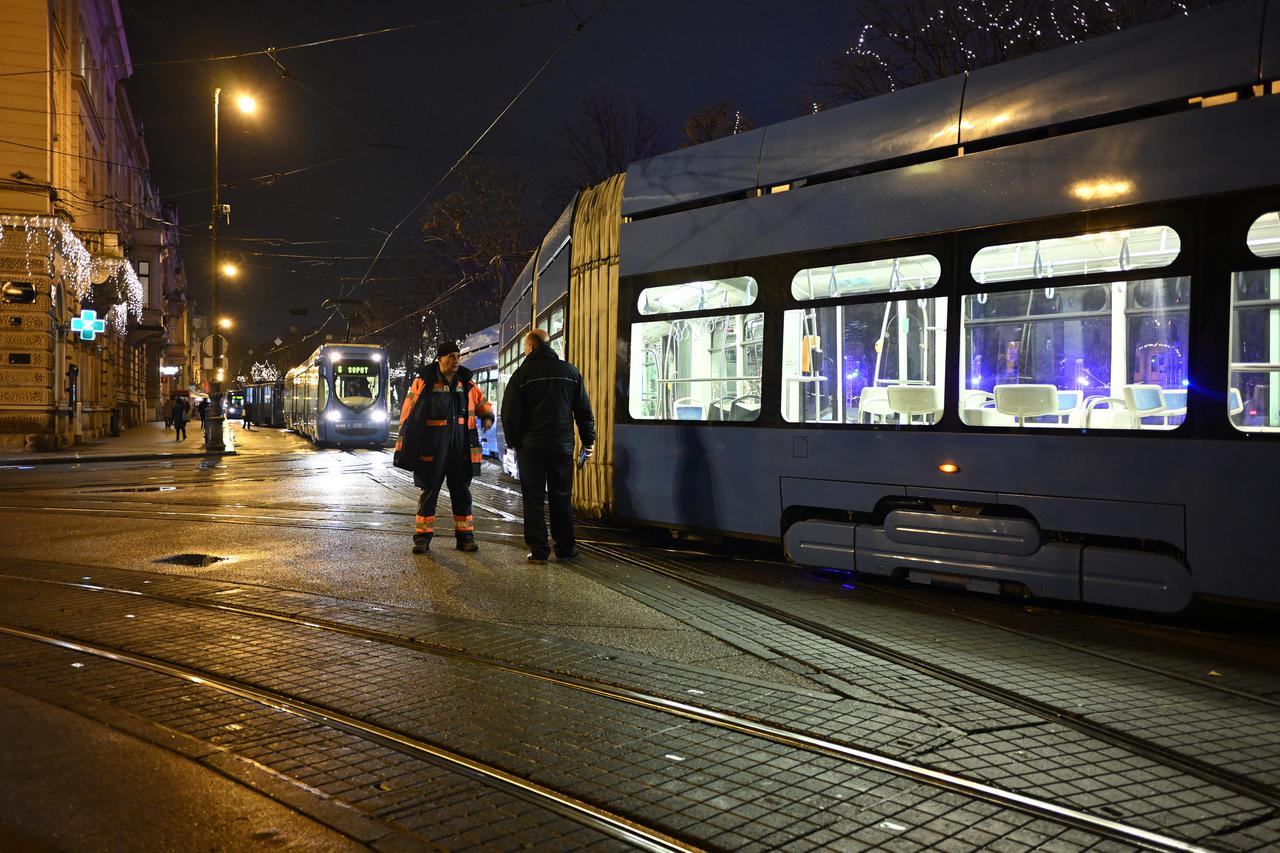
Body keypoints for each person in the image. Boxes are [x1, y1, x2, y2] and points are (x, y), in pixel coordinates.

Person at [500, 329, 595, 563]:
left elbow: (509, 414)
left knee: (532, 498)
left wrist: (514, 442)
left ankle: (539, 549)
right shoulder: (570, 372)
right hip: (561, 446)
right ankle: (565, 548)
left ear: (531, 347)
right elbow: (583, 411)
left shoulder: (521, 375)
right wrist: (588, 440)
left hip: (530, 448)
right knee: (561, 497)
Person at [393, 341, 494, 554]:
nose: (455, 360)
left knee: (462, 493)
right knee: (429, 492)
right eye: (450, 356)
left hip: (460, 447)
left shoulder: (466, 382)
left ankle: (465, 538)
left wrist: (487, 415)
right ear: (439, 359)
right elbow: (408, 412)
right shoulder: (424, 381)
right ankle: (422, 538)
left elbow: (481, 402)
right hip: (432, 447)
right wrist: (405, 444)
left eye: (457, 356)